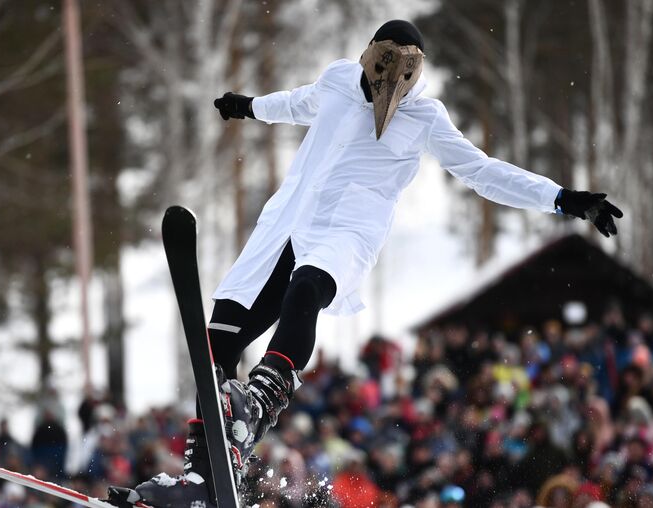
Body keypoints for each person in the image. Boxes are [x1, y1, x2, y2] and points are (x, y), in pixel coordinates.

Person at [108, 19, 622, 507]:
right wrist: (249, 106)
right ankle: (206, 473)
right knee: (218, 342)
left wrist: (560, 197)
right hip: (289, 225)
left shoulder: (426, 117)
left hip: (346, 235)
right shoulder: (336, 80)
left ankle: (262, 398)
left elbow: (482, 171)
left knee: (304, 289)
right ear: (366, 60)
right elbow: (297, 103)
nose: (385, 89)